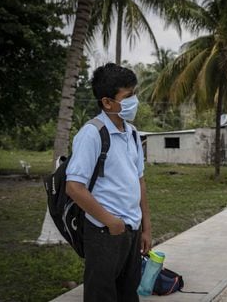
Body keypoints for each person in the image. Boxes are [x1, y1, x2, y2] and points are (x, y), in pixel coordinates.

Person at [66, 63, 151, 302]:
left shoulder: (132, 133)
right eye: (128, 95)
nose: (134, 100)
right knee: (102, 295)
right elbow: (74, 187)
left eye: (135, 93)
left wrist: (146, 228)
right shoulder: (92, 133)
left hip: (131, 231)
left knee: (128, 293)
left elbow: (140, 182)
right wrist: (111, 222)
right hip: (104, 232)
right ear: (107, 102)